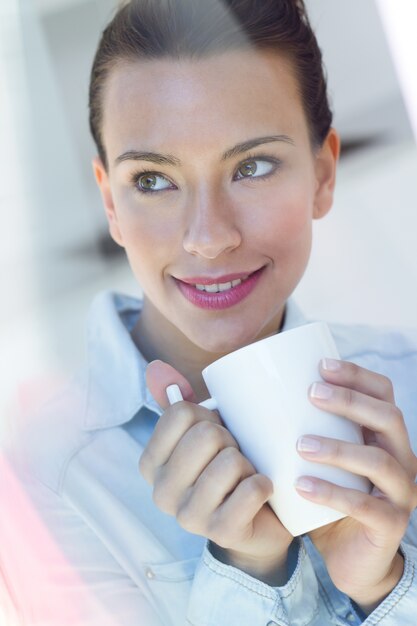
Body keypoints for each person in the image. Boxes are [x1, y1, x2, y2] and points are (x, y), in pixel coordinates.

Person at [2, 0, 417, 624]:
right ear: (110, 203)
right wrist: (246, 573)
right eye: (152, 180)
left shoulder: (410, 379)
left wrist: (385, 586)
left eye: (251, 167)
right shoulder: (39, 481)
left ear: (323, 173)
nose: (208, 237)